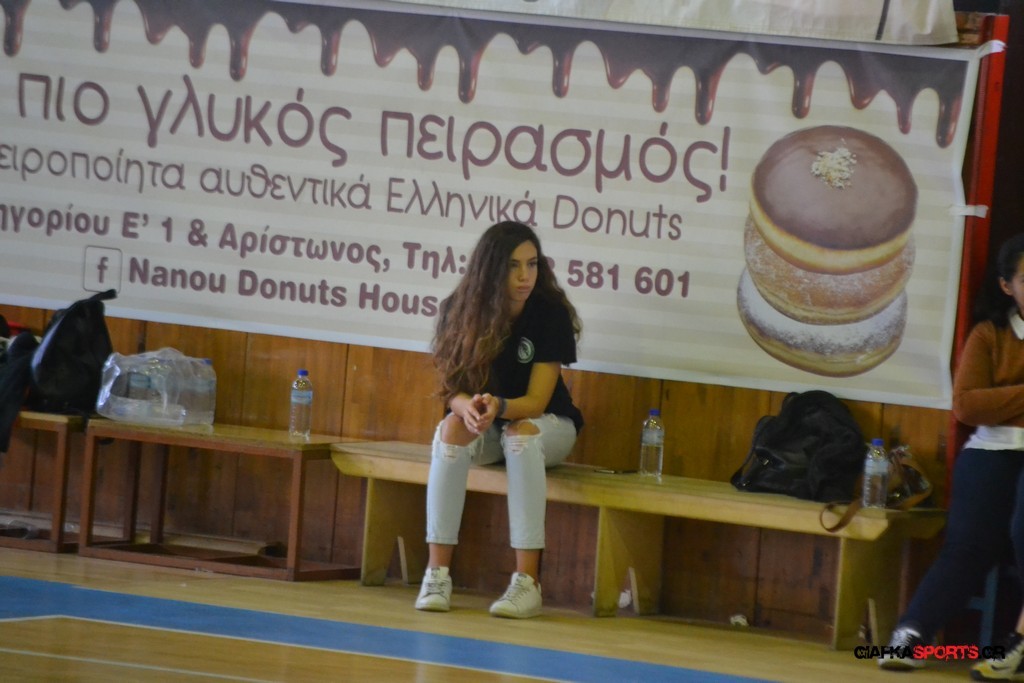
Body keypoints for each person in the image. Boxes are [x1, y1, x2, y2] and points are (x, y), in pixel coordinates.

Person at [414, 220, 583, 619]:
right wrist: (468, 408)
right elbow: (451, 390)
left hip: (548, 426)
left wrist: (498, 406)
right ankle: (437, 574)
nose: (526, 276)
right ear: (491, 269)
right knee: (450, 428)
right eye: (513, 266)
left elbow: (537, 402)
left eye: (532, 264)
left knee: (520, 435)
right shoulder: (459, 308)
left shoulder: (550, 313)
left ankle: (527, 583)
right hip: (491, 424)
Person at [879, 233, 1024, 679]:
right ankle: (912, 633)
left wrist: (1001, 399)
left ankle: (1017, 647)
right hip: (992, 449)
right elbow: (967, 406)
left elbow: (985, 401)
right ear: (1007, 286)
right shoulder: (989, 334)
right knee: (967, 543)